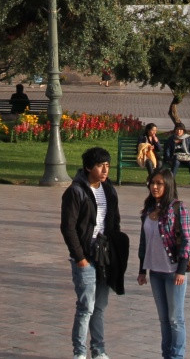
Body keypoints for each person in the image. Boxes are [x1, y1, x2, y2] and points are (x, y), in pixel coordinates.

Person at [61, 146, 128, 359]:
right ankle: (79, 352)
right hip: (86, 256)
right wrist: (80, 257)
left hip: (104, 255)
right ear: (88, 167)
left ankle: (99, 351)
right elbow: (68, 227)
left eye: (107, 165)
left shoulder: (109, 190)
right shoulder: (76, 191)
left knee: (99, 307)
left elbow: (114, 221)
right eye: (100, 166)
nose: (105, 170)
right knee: (85, 307)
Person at [136, 166, 190, 359]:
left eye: (159, 183)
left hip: (173, 271)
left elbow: (187, 240)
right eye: (152, 183)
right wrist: (142, 270)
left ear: (168, 185)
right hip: (155, 272)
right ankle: (166, 354)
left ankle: (177, 356)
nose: (154, 187)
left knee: (175, 319)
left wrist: (181, 270)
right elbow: (144, 242)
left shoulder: (178, 208)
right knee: (163, 319)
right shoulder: (148, 210)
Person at [163, 122, 190, 187]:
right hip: (176, 157)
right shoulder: (171, 138)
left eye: (180, 130)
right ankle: (171, 181)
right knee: (175, 163)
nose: (179, 131)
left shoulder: (187, 138)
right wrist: (168, 159)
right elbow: (167, 150)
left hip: (186, 157)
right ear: (175, 130)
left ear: (183, 130)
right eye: (177, 129)